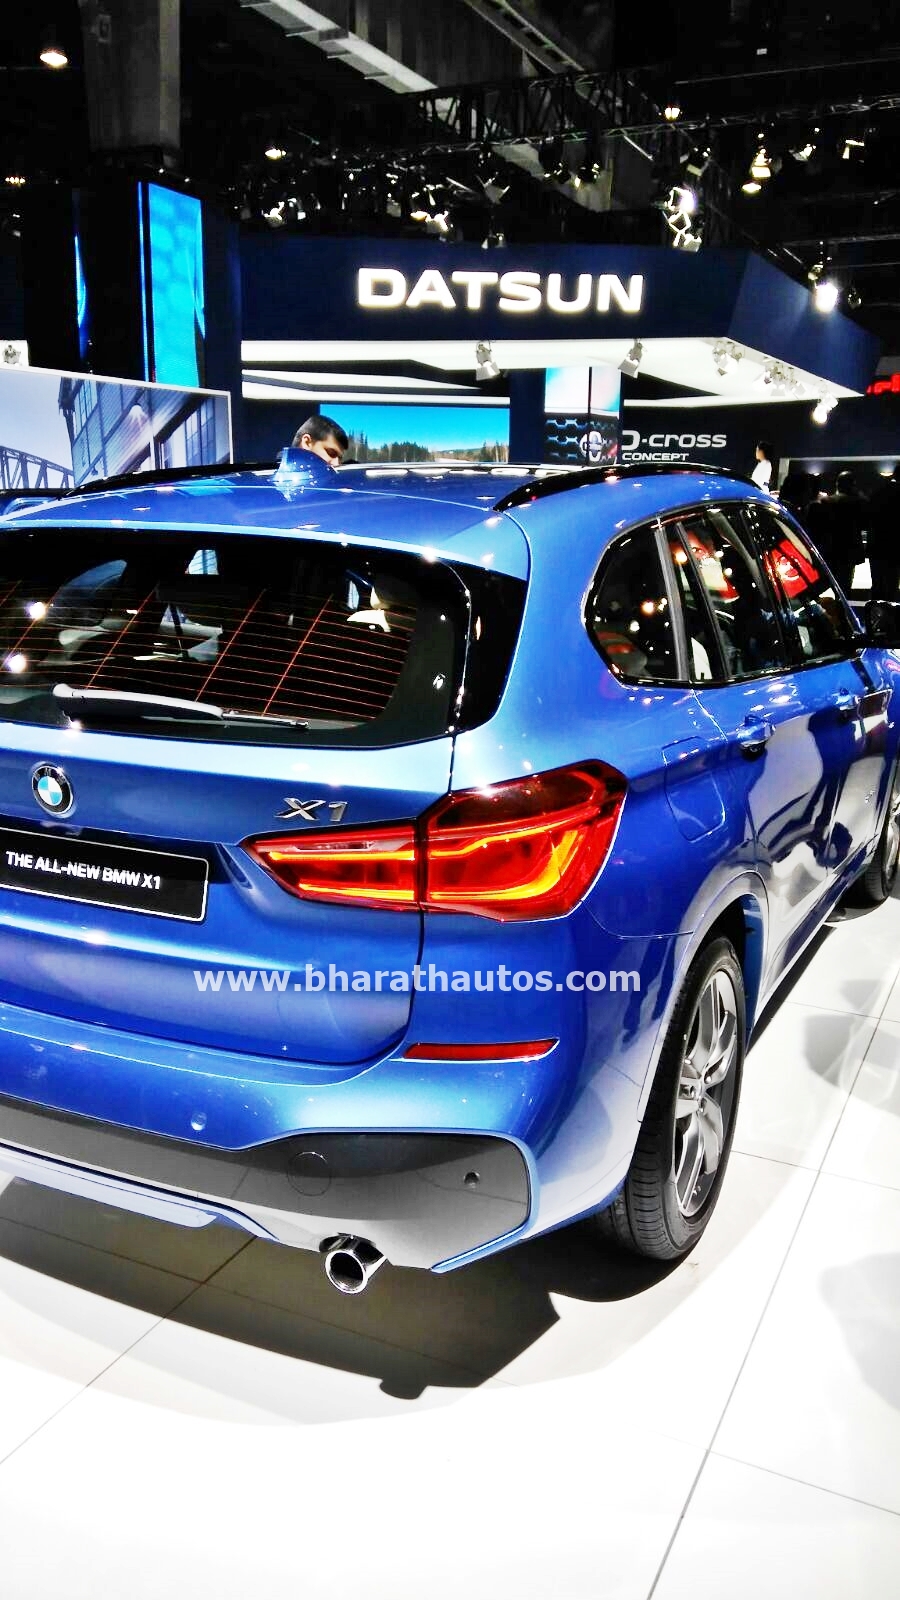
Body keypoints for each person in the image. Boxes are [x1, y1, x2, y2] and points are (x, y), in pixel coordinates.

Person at [804, 469, 867, 596]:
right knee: (846, 582)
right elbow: (864, 523)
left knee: (830, 578)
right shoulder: (858, 502)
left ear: (837, 484)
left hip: (832, 546)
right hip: (850, 547)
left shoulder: (827, 501)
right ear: (852, 484)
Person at [867, 464, 900, 600]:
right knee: (892, 583)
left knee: (877, 583)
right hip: (895, 545)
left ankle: (875, 609)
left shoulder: (878, 492)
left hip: (876, 544)